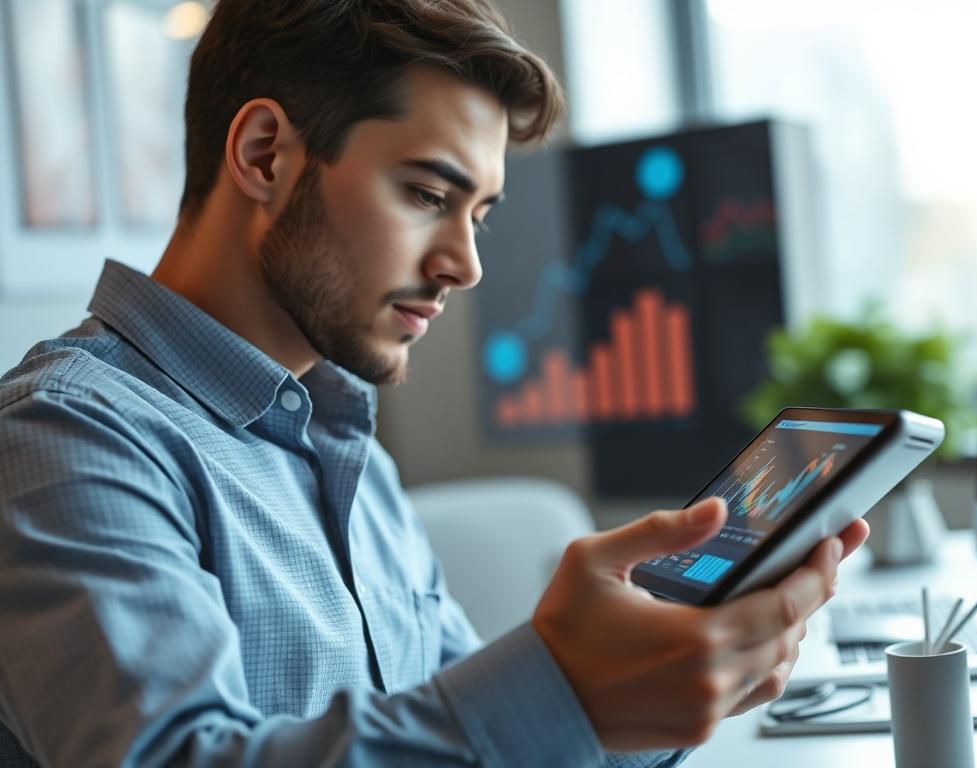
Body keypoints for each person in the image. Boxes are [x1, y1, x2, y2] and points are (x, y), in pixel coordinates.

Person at [0, 1, 869, 766]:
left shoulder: (346, 450)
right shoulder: (64, 439)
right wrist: (563, 688)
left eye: (479, 214)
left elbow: (449, 734)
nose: (466, 265)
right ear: (264, 155)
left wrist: (657, 691)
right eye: (426, 194)